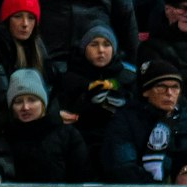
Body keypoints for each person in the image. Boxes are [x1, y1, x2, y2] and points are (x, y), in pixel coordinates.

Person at [0, 68, 88, 187]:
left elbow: (80, 181)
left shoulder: (68, 136)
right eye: (18, 101)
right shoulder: (4, 138)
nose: (25, 107)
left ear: (43, 103)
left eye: (32, 100)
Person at [102, 60, 187, 181]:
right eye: (161, 87)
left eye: (175, 87)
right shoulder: (125, 121)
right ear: (146, 91)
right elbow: (123, 166)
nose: (169, 93)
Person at [58, 21, 136, 150]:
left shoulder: (128, 77)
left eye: (107, 45)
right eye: (94, 44)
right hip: (81, 142)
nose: (101, 50)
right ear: (84, 48)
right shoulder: (69, 79)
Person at [0, 0, 54, 110]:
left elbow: (52, 85)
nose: (25, 24)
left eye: (31, 18)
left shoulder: (37, 46)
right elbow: (1, 97)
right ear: (7, 20)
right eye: (18, 16)